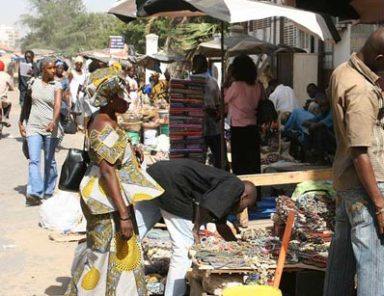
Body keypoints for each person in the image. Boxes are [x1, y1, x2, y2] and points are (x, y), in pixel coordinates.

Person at [66, 64, 164, 296]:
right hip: (106, 202)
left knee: (114, 253)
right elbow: (108, 171)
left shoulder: (101, 119)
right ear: (110, 99)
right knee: (103, 256)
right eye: (122, 95)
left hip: (105, 198)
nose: (128, 100)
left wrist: (132, 149)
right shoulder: (103, 125)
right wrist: (124, 215)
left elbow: (111, 156)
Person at [324, 28, 384, 296]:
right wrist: (381, 206)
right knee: (374, 267)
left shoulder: (343, 71)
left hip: (347, 184)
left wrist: (381, 98)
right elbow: (360, 151)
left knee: (342, 264)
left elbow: (350, 108)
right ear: (380, 57)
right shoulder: (362, 90)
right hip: (366, 187)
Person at [135, 159, 257, 296]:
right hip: (171, 184)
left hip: (154, 172)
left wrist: (238, 245)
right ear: (244, 196)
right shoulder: (236, 186)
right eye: (246, 206)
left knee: (133, 234)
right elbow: (205, 204)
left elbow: (221, 226)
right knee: (184, 247)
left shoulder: (227, 190)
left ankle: (118, 282)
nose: (241, 211)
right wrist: (196, 230)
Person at [18, 58, 62, 206]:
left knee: (50, 161)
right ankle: (36, 192)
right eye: (50, 68)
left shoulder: (57, 85)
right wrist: (21, 121)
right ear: (43, 69)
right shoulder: (33, 83)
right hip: (33, 126)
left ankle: (48, 190)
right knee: (34, 160)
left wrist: (53, 121)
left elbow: (57, 105)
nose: (53, 71)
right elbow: (27, 104)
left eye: (54, 68)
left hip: (50, 127)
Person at [224, 55, 263, 175]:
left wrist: (227, 79)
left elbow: (224, 99)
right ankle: (256, 190)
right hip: (253, 128)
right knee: (253, 164)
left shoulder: (236, 86)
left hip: (238, 129)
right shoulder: (257, 86)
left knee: (240, 165)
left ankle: (243, 191)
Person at [191, 55, 222, 168]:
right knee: (218, 157)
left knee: (197, 158)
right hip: (212, 125)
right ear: (206, 65)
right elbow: (218, 103)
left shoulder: (188, 82)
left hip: (194, 126)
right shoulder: (213, 82)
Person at [69, 57, 86, 129]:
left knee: (80, 108)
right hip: (73, 91)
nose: (78, 65)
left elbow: (84, 82)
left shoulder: (84, 73)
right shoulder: (72, 72)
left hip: (81, 92)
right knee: (74, 108)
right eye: (77, 64)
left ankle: (79, 123)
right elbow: (69, 82)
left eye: (80, 64)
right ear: (75, 64)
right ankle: (74, 124)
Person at [55, 60, 71, 125]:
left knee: (61, 123)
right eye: (59, 68)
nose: (61, 70)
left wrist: (68, 105)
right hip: (52, 103)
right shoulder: (51, 79)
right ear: (55, 68)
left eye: (62, 68)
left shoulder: (65, 80)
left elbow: (66, 94)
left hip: (62, 105)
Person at [0, 60, 15, 126]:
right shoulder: (7, 76)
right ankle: (5, 118)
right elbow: (12, 87)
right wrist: (10, 88)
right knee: (9, 104)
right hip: (2, 99)